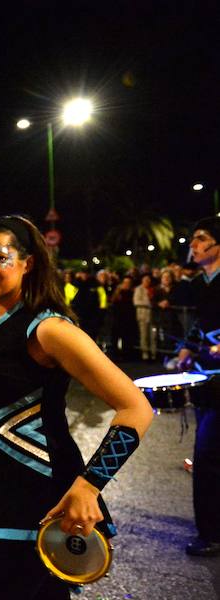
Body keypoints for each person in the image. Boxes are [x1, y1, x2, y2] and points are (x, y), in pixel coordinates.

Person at [0, 215, 153, 599]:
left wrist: (89, 485)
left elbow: (136, 408)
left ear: (28, 263)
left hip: (41, 490)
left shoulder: (49, 329)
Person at [176, 216, 220, 556]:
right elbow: (200, 324)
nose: (193, 244)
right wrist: (188, 349)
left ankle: (212, 534)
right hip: (207, 380)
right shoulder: (202, 283)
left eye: (201, 238)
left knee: (207, 457)